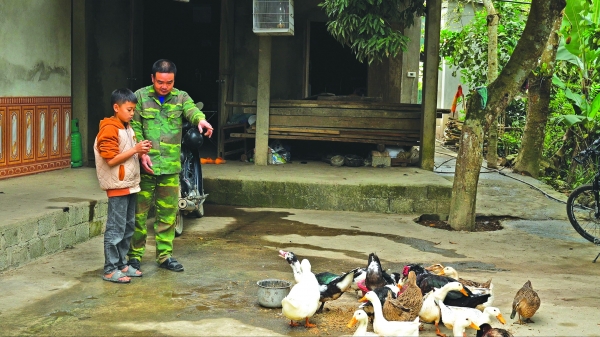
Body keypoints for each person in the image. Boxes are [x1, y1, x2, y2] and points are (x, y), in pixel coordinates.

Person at [127, 59, 213, 272]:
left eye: (169, 82)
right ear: (152, 78)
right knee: (139, 215)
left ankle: (164, 256)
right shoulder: (139, 97)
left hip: (170, 168)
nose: (164, 86)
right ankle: (134, 257)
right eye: (160, 82)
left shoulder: (181, 97)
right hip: (146, 166)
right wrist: (140, 153)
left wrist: (200, 120)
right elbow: (134, 125)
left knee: (168, 216)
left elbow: (192, 110)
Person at [94, 88, 152, 283]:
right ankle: (110, 269)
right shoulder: (109, 128)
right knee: (116, 228)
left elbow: (129, 152)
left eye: (134, 110)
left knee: (128, 227)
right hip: (117, 185)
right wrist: (135, 149)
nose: (132, 113)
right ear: (116, 107)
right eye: (129, 109)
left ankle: (121, 264)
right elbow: (111, 160)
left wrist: (141, 153)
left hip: (130, 184)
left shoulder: (127, 127)